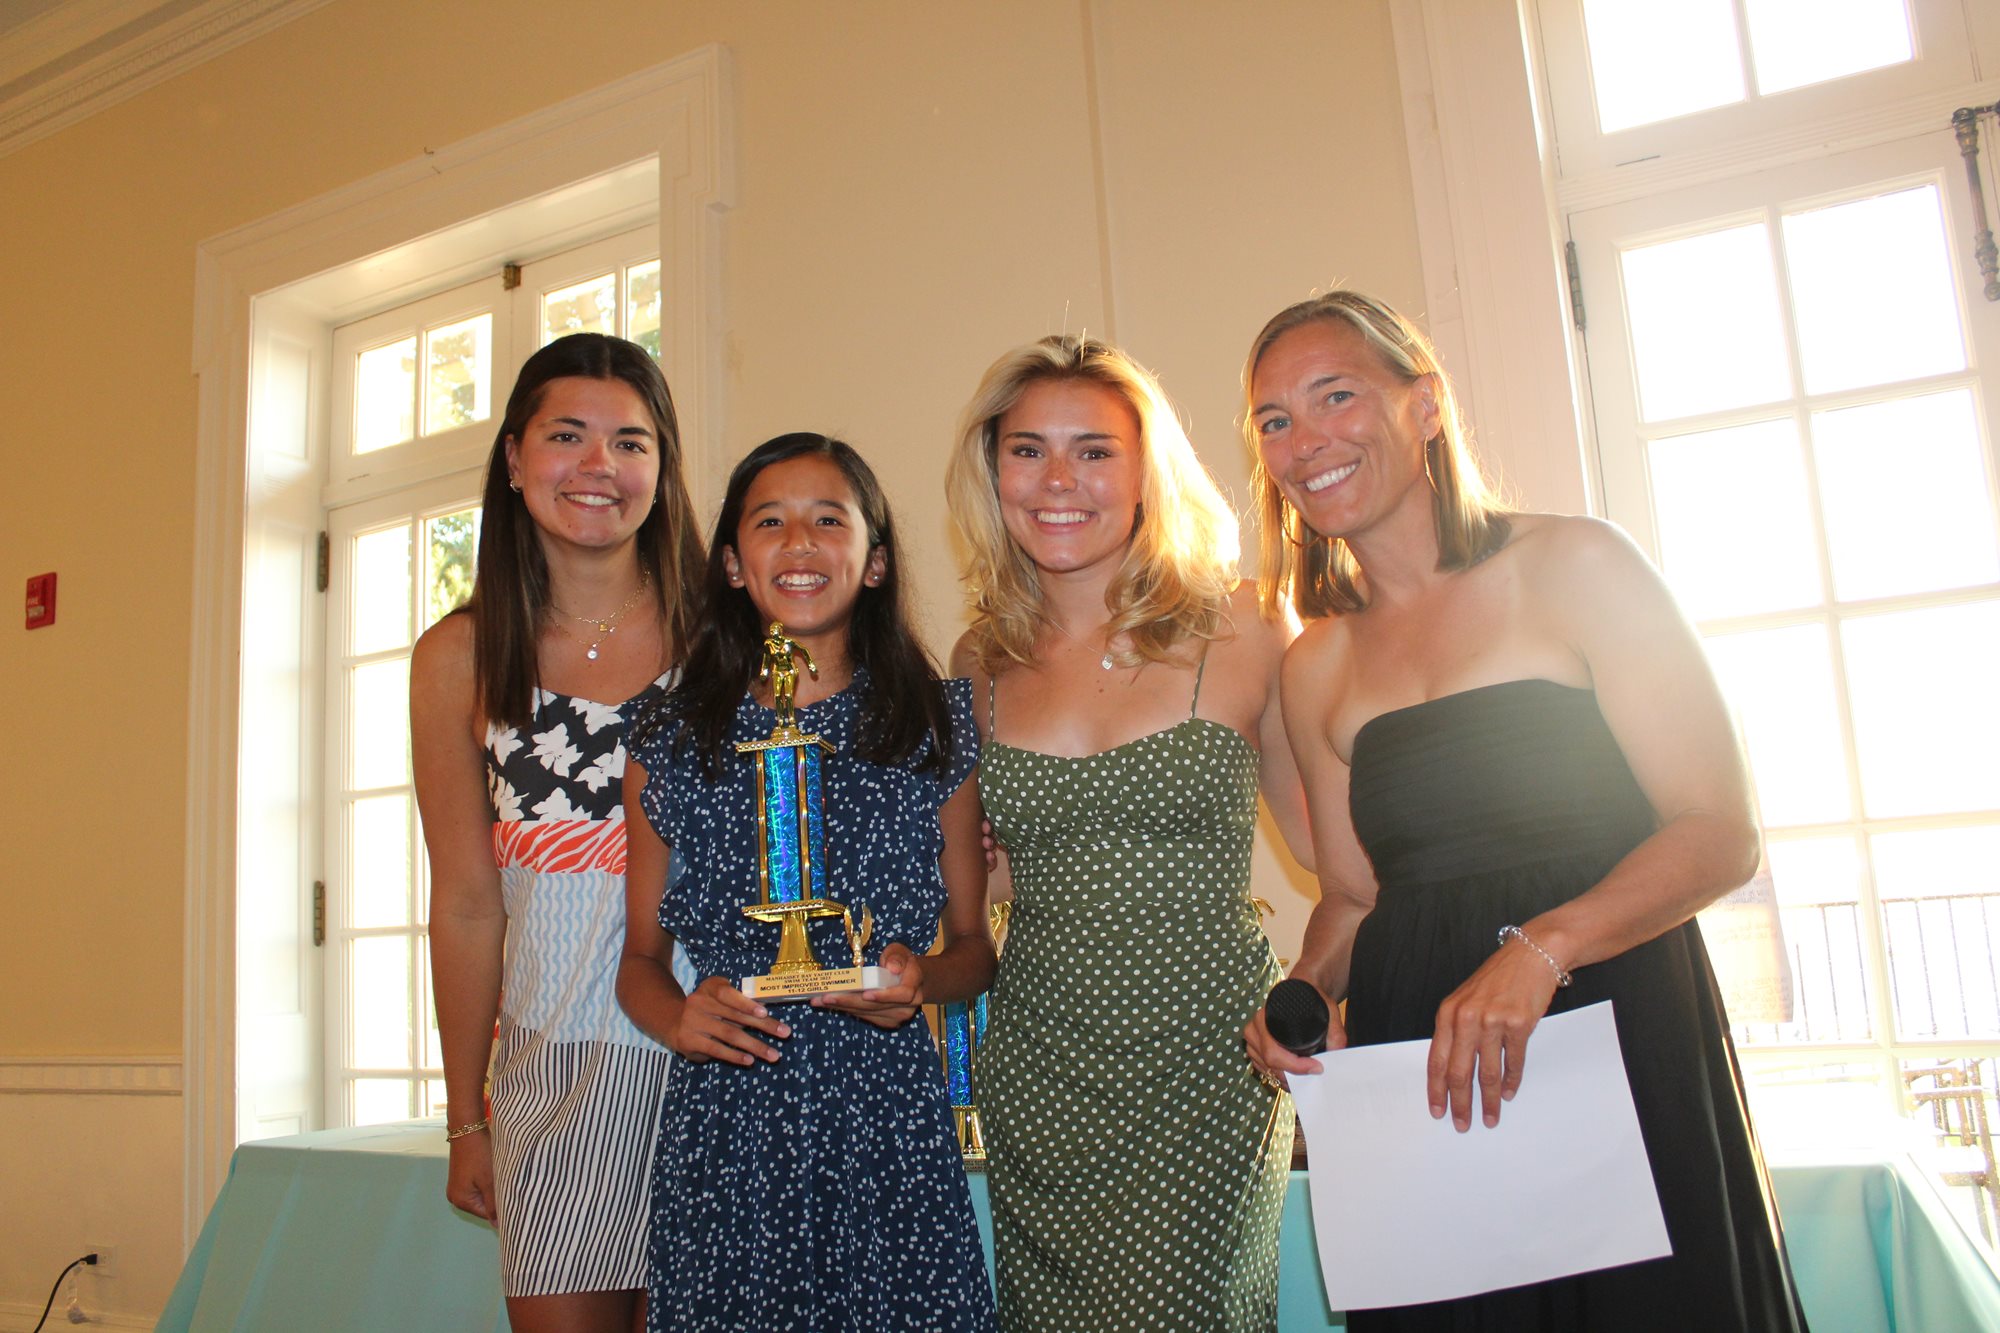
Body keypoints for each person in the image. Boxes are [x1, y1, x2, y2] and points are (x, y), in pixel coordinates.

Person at [1238, 291, 1809, 1331]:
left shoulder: (1578, 565)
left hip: (1608, 1020)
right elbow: (1354, 897)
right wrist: (1309, 986)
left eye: (1334, 396)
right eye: (1274, 419)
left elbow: (1719, 831)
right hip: (1422, 1063)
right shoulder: (1316, 662)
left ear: (1423, 406)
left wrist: (1541, 949)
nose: (1303, 439)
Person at [945, 335, 1315, 1332]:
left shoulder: (1246, 625)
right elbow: (997, 876)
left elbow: (1336, 856)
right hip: (1039, 1071)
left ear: (1147, 470)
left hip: (1209, 1067)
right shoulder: (978, 657)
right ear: (992, 471)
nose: (1058, 480)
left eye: (1094, 450)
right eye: (1027, 450)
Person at [617, 433, 999, 1332]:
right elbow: (638, 961)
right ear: (732, 563)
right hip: (730, 1117)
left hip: (887, 1119)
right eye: (770, 522)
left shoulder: (934, 723)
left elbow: (975, 949)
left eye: (830, 520)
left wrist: (918, 980)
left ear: (875, 560)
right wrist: (678, 1017)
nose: (799, 542)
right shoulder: (669, 737)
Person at [412, 333, 705, 1332]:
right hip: (551, 1067)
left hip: (718, 1058)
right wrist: (466, 1115)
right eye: (566, 435)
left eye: (630, 442)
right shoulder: (459, 656)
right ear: (513, 458)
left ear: (662, 469)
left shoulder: (729, 643)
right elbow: (464, 902)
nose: (598, 465)